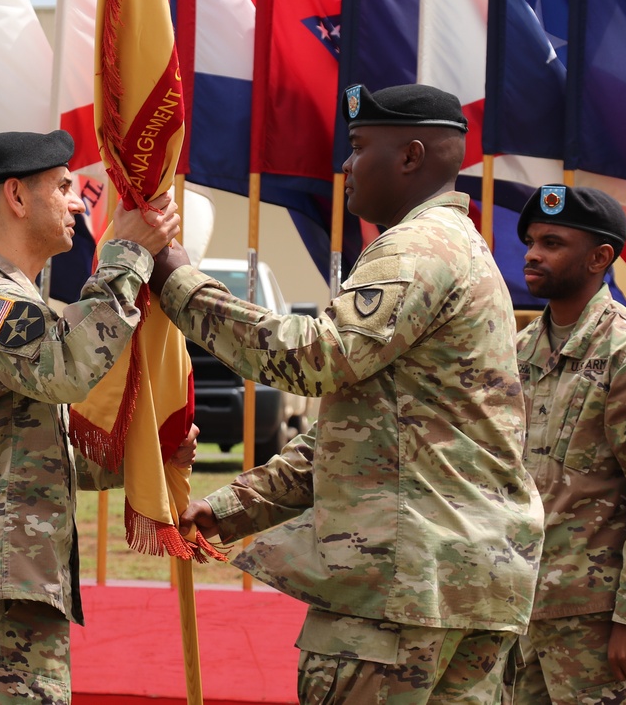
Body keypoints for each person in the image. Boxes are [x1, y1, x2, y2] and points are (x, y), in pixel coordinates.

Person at [151, 83, 545, 704]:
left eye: (360, 147)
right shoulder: (461, 250)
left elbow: (316, 357)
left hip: (400, 587)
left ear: (412, 157)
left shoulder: (415, 249)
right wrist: (232, 507)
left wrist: (179, 284)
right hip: (465, 582)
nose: (345, 165)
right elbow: (368, 436)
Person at [0, 129, 187, 704]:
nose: (79, 201)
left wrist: (149, 454)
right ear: (16, 196)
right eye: (62, 187)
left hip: (10, 587)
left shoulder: (21, 302)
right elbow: (66, 367)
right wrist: (128, 255)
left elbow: (43, 456)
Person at [505, 184, 626, 704]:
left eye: (552, 242)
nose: (532, 253)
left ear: (600, 257)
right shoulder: (517, 352)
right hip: (523, 617)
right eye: (530, 240)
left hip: (602, 625)